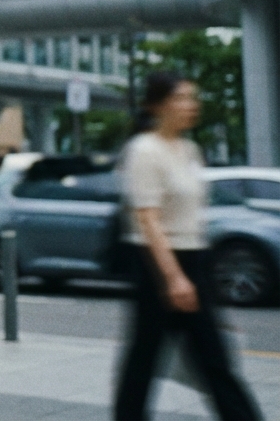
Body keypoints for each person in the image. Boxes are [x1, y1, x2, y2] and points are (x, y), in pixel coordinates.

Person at [114, 72, 260, 420]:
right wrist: (175, 278)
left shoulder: (188, 149)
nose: (191, 105)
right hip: (159, 263)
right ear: (158, 106)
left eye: (192, 98)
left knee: (205, 359)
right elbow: (148, 218)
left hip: (193, 258)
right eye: (181, 98)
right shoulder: (144, 150)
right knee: (150, 359)